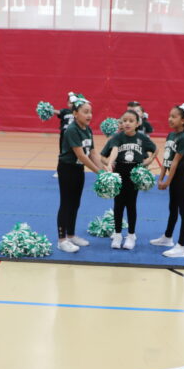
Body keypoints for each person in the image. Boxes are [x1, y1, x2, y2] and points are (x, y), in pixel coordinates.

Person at [100, 110, 157, 250]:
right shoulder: (117, 138)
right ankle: (118, 234)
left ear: (137, 123)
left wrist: (148, 161)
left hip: (134, 175)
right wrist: (109, 163)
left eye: (131, 121)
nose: (127, 123)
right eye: (124, 120)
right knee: (118, 205)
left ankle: (131, 235)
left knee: (131, 205)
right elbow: (104, 155)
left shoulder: (142, 138)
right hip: (119, 173)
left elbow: (155, 149)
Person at [56, 95, 105, 253]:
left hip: (78, 170)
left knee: (75, 203)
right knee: (66, 204)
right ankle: (62, 240)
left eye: (90, 112)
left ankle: (71, 235)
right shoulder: (72, 130)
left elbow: (92, 153)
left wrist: (105, 171)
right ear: (75, 113)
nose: (89, 115)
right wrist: (99, 173)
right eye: (85, 112)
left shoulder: (88, 129)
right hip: (67, 169)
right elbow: (81, 156)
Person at [150, 104, 184, 258]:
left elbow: (176, 162)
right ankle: (167, 238)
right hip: (172, 176)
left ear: (183, 120)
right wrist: (161, 177)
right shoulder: (171, 135)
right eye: (169, 116)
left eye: (174, 117)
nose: (170, 119)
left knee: (183, 210)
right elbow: (166, 158)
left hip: (181, 177)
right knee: (172, 208)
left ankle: (182, 247)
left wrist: (167, 182)